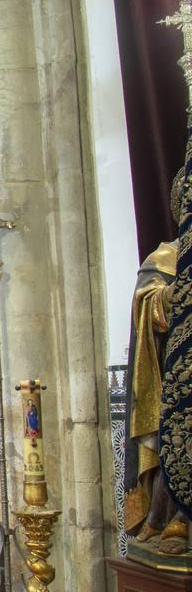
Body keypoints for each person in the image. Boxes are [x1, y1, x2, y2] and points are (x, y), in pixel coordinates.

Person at [124, 171, 188, 555]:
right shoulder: (165, 257)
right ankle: (173, 516)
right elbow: (148, 308)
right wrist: (174, 295)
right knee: (177, 435)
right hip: (179, 376)